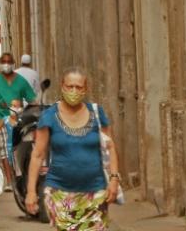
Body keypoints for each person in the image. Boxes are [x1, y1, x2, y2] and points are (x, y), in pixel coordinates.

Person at [25, 68, 121, 231]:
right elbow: (38, 155)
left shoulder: (97, 113)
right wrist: (31, 191)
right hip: (59, 193)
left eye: (78, 87)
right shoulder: (49, 116)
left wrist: (114, 180)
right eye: (70, 87)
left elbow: (110, 148)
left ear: (85, 89)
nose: (74, 91)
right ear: (62, 87)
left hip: (96, 192)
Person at [0, 53, 35, 125]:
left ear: (13, 63)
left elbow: (32, 100)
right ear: (0, 63)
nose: (6, 64)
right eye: (4, 62)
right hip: (0, 122)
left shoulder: (21, 81)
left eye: (9, 62)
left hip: (18, 122)